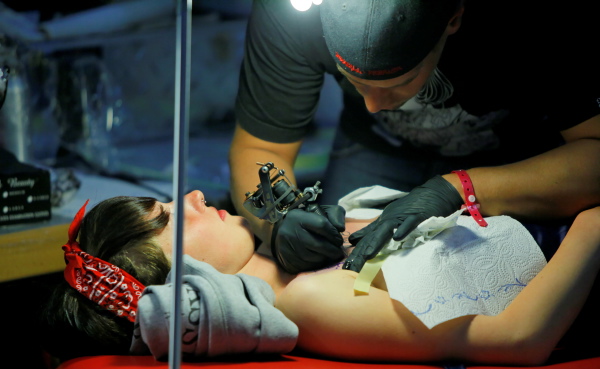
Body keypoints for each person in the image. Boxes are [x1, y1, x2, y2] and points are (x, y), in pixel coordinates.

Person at [229, 0, 600, 274]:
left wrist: (459, 188)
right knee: (332, 265)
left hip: (520, 155)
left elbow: (595, 155)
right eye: (354, 82)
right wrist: (277, 220)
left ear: (453, 19)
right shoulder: (292, 14)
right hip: (376, 149)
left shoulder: (537, 19)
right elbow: (259, 148)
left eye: (401, 82)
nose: (374, 105)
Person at [40, 190, 600, 366]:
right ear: (180, 285)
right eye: (169, 220)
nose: (193, 196)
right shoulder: (310, 301)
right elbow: (519, 338)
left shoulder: (306, 253)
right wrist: (593, 222)